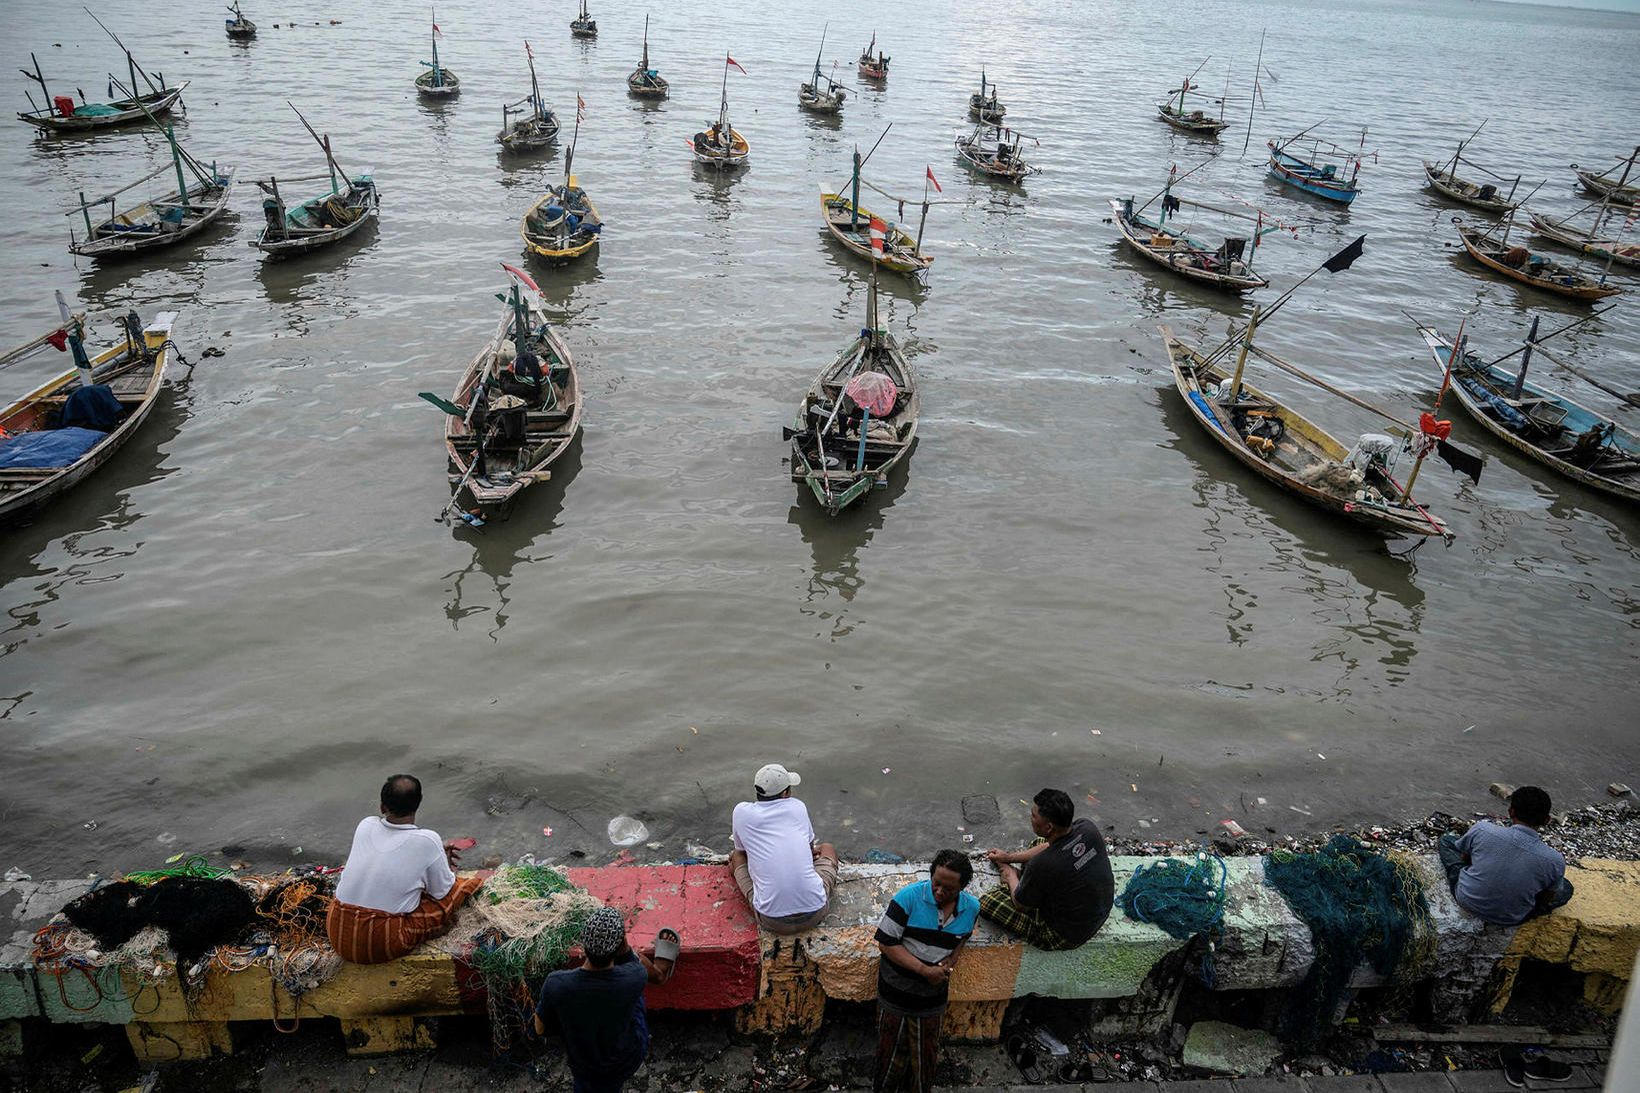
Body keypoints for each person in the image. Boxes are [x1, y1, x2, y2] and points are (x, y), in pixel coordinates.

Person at [326, 774, 482, 964]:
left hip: (337, 927)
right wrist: (444, 864)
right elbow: (441, 892)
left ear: (382, 807)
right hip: (378, 941)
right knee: (458, 890)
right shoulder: (428, 840)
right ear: (418, 804)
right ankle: (479, 881)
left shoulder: (365, 825)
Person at [533, 907, 676, 1093]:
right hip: (627, 1056)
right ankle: (659, 974)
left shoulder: (556, 983)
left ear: (584, 944)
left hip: (585, 1066)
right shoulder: (635, 976)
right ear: (619, 946)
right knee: (632, 988)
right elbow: (632, 963)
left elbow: (540, 1028)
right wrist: (624, 950)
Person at [873, 850, 980, 1092]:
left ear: (962, 888)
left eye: (949, 889)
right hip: (896, 993)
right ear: (931, 877)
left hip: (932, 998)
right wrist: (923, 970)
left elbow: (963, 937)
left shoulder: (971, 908)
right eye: (936, 884)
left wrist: (950, 963)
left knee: (925, 1057)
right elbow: (886, 943)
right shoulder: (908, 898)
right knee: (890, 1055)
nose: (940, 892)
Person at [980, 788, 1114, 951]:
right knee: (1037, 845)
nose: (1031, 818)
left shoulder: (1044, 864)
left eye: (1034, 815)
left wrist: (1008, 874)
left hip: (1066, 934)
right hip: (1098, 911)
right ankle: (1027, 882)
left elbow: (1021, 905)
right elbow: (1048, 847)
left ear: (1049, 827)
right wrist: (1008, 858)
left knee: (988, 902)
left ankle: (1021, 881)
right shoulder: (1087, 827)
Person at [729, 763, 840, 934]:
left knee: (735, 857)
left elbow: (742, 851)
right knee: (827, 848)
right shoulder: (797, 806)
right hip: (816, 912)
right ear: (785, 793)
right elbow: (810, 850)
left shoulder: (741, 811)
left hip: (770, 919)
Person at [1439, 786, 1573, 926]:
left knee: (1447, 841)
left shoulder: (1482, 829)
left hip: (1467, 900)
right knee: (1566, 887)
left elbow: (1465, 859)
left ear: (1511, 812)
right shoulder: (1555, 860)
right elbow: (1545, 899)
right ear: (1547, 820)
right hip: (1511, 917)